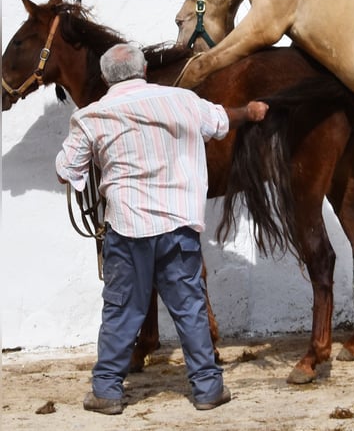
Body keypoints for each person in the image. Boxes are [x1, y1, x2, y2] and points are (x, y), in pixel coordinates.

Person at [55, 43, 269, 415]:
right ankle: (207, 389)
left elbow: (66, 170)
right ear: (142, 71)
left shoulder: (92, 117)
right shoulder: (183, 101)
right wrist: (249, 111)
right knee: (189, 306)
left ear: (105, 78)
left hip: (127, 228)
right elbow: (221, 121)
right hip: (178, 224)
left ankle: (106, 391)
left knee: (122, 309)